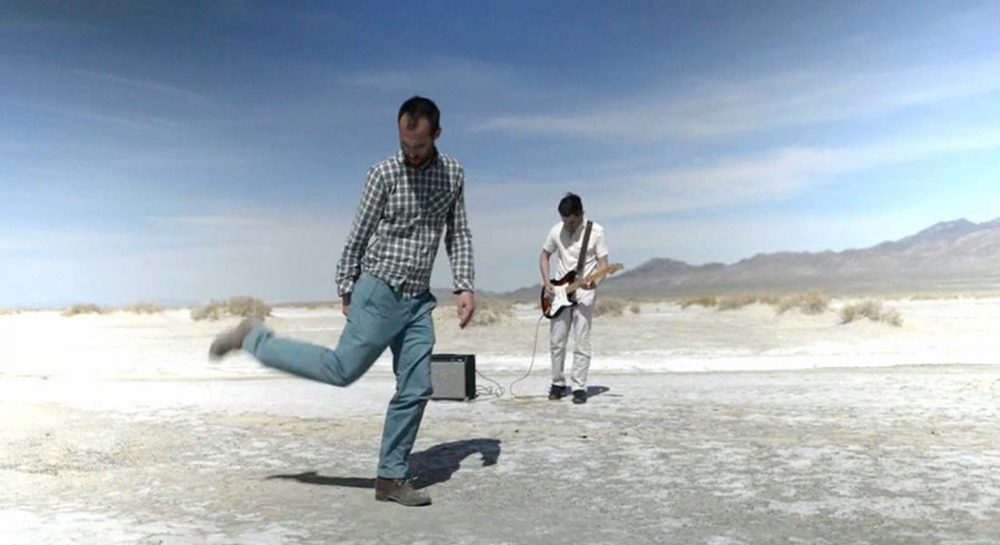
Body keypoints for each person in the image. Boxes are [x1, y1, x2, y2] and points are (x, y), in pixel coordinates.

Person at [209, 96, 475, 507]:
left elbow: (458, 233)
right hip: (378, 291)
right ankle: (254, 339)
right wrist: (346, 288)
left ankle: (390, 477)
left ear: (437, 135)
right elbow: (359, 234)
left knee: (418, 387)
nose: (411, 153)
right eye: (405, 144)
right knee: (341, 371)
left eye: (419, 146)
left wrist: (464, 285)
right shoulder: (384, 173)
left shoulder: (453, 174)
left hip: (419, 300)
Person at [539, 193, 609, 404]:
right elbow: (544, 255)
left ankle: (579, 386)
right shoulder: (555, 230)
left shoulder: (596, 232)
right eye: (565, 221)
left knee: (582, 341)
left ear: (581, 214)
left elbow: (604, 264)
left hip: (585, 293)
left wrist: (595, 282)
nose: (568, 226)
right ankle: (558, 383)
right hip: (560, 292)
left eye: (572, 222)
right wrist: (547, 283)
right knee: (557, 341)